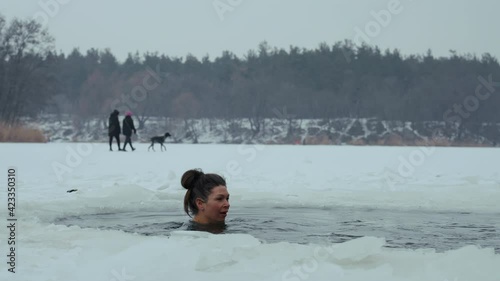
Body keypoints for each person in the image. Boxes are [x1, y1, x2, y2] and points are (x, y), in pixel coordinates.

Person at [182, 169, 230, 233]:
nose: (227, 204)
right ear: (200, 203)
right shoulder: (185, 235)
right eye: (219, 199)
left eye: (227, 198)